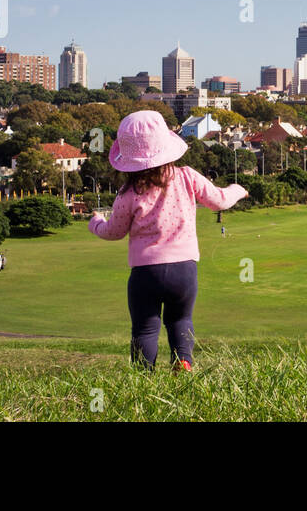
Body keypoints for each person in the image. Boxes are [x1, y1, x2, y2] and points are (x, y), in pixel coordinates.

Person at [88, 110, 247, 372]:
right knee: (181, 319)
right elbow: (219, 200)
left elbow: (114, 232)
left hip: (145, 273)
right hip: (184, 270)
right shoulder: (186, 176)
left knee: (145, 328)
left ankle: (143, 376)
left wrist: (95, 224)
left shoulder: (128, 193)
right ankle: (183, 361)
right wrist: (237, 190)